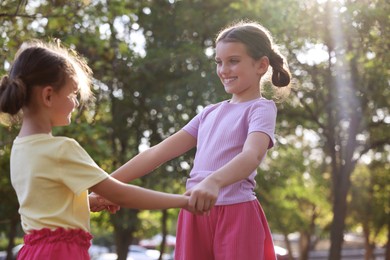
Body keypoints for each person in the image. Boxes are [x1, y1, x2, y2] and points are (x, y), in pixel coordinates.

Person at [92, 20, 291, 260]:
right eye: (219, 62)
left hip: (237, 214)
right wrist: (104, 186)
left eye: (233, 61)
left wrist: (213, 182)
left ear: (261, 65)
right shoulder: (209, 113)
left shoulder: (261, 108)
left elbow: (252, 155)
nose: (224, 70)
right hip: (193, 212)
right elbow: (156, 153)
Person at [0, 40, 191, 260]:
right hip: (61, 254)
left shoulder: (19, 148)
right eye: (72, 93)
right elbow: (121, 194)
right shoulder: (62, 149)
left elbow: (47, 205)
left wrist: (88, 201)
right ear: (48, 96)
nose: (75, 102)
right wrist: (184, 201)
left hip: (32, 252)